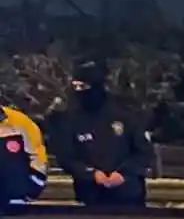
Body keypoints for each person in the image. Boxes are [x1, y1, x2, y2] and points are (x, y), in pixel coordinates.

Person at [55, 62, 154, 207]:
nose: (78, 91)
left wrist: (123, 173)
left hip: (129, 194)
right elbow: (66, 156)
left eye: (83, 86)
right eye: (75, 86)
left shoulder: (125, 112)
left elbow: (143, 152)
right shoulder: (70, 118)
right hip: (89, 196)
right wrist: (91, 174)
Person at [0, 94, 47, 204]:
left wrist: (28, 190)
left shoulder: (20, 122)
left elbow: (38, 161)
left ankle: (15, 197)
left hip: (17, 192)